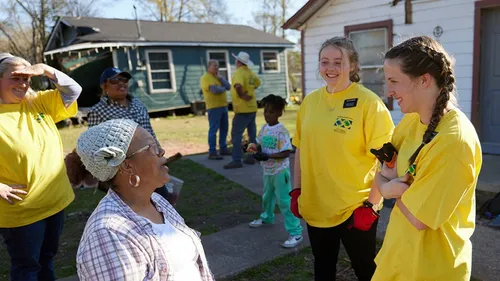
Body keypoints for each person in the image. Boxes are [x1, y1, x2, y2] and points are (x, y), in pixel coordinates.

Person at [372, 36, 482, 281]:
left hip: (431, 269)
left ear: (424, 80)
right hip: (398, 256)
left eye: (393, 81)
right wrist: (389, 187)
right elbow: (384, 171)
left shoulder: (455, 141)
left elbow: (419, 217)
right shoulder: (412, 120)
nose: (388, 91)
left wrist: (389, 188)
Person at [290, 37, 394, 281]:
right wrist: (296, 190)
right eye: (325, 62)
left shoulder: (369, 103)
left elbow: (388, 161)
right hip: (316, 204)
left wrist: (371, 205)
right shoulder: (309, 102)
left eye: (338, 62)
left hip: (355, 207)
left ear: (353, 66)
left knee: (365, 268)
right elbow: (300, 149)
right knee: (323, 267)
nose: (331, 68)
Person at [76, 119, 214, 280]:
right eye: (152, 147)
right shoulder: (108, 235)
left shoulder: (157, 201)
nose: (162, 151)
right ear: (126, 166)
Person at [0, 53, 82, 281]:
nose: (23, 84)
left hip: (55, 201)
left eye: (26, 78)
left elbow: (74, 91)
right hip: (22, 211)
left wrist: (46, 69)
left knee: (47, 260)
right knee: (27, 267)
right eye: (15, 77)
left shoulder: (38, 103)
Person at [82, 67, 173, 200]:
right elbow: (96, 148)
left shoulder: (137, 103)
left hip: (152, 162)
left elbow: (149, 131)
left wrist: (158, 149)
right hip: (128, 170)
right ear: (104, 86)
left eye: (124, 79)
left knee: (163, 201)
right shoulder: (98, 111)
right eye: (114, 80)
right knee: (138, 207)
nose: (121, 83)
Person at [248, 94, 303, 248]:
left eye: (271, 112)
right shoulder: (264, 128)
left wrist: (268, 156)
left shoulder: (282, 131)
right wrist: (252, 147)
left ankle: (296, 232)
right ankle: (267, 217)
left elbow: (287, 152)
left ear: (279, 113)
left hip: (280, 172)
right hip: (267, 171)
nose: (267, 115)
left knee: (285, 202)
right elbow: (259, 144)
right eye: (265, 111)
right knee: (267, 197)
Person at [224, 51, 261, 169]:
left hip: (242, 108)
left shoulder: (239, 73)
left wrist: (242, 96)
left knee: (236, 134)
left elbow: (238, 85)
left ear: (238, 61)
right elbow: (257, 83)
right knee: (252, 134)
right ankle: (251, 157)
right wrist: (249, 91)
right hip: (252, 107)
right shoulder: (250, 73)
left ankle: (236, 159)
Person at [200, 59, 231, 160]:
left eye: (217, 66)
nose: (217, 68)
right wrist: (222, 89)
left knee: (224, 128)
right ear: (209, 67)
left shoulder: (219, 77)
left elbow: (228, 86)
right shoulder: (206, 78)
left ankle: (223, 148)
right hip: (213, 107)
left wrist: (221, 80)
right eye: (214, 66)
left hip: (223, 106)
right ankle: (212, 151)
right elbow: (214, 90)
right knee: (214, 129)